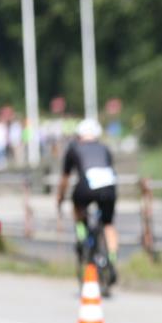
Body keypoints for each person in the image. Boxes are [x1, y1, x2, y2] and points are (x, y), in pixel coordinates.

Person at [56, 119, 118, 281]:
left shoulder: (74, 148)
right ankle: (112, 260)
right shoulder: (104, 148)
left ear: (79, 135)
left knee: (77, 208)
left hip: (85, 187)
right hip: (109, 187)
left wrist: (60, 198)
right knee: (108, 224)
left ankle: (82, 236)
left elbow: (65, 178)